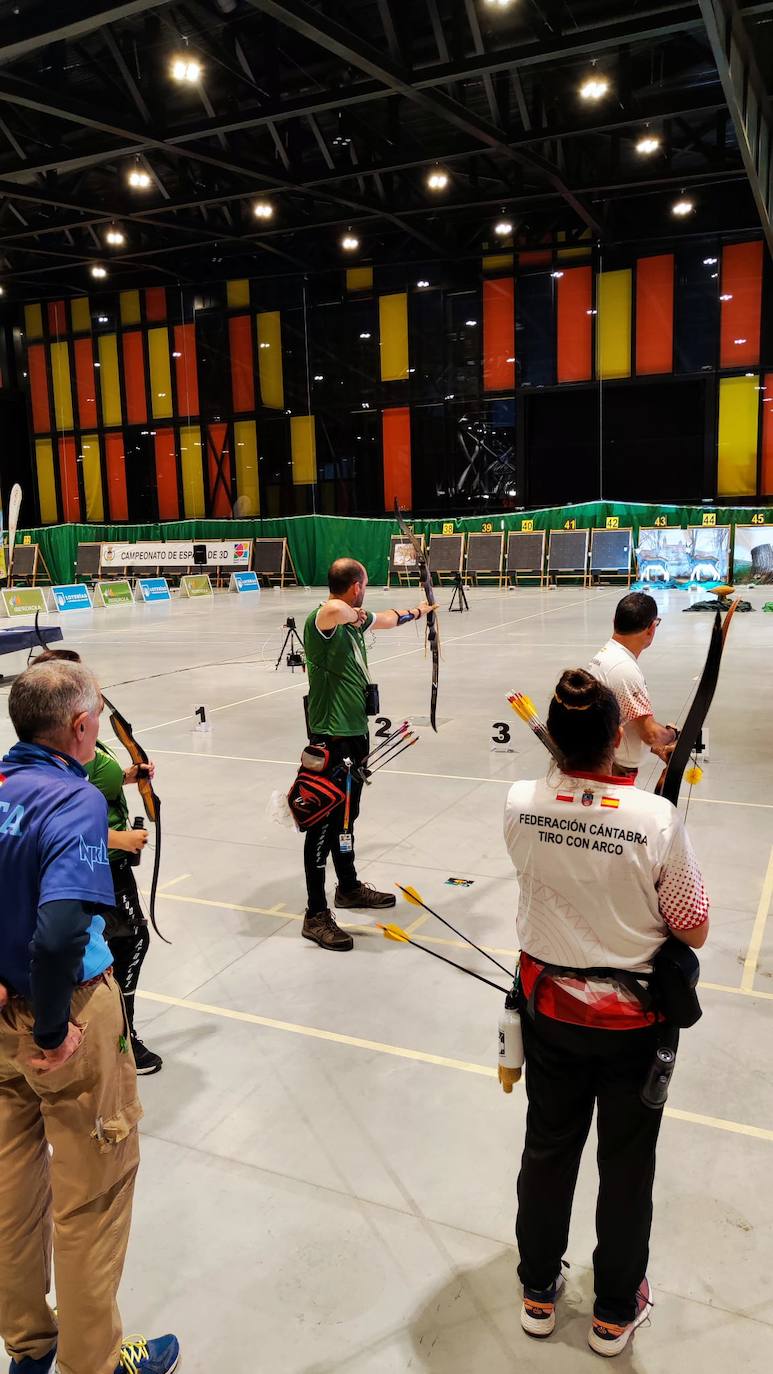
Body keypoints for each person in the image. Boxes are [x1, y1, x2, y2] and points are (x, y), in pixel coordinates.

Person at [503, 668, 709, 1358]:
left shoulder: (517, 801)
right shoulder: (653, 817)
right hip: (630, 1028)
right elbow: (693, 924)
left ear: (554, 739)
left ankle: (537, 1290)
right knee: (625, 1165)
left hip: (550, 1014)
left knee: (548, 1146)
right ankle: (613, 1313)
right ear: (616, 736)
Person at [0, 659, 179, 1374]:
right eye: (97, 717)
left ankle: (30, 1349)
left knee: (13, 1192)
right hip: (61, 1016)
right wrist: (52, 1028)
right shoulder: (71, 800)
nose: (100, 727)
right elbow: (59, 928)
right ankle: (91, 1364)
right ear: (79, 727)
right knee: (90, 1202)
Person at [31, 649, 161, 1076]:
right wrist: (120, 837)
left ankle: (117, 1030)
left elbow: (93, 783)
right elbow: (63, 819)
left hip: (111, 863)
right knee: (124, 944)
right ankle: (119, 1034)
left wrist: (129, 775)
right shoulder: (59, 754)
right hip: (99, 865)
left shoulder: (83, 743)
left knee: (123, 943)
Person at [301, 557, 434, 951]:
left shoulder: (353, 621)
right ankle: (315, 914)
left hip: (355, 736)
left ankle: (348, 887)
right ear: (356, 586)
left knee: (347, 816)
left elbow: (389, 619)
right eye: (364, 584)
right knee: (322, 825)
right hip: (330, 739)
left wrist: (420, 611)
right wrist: (356, 613)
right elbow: (332, 609)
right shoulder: (324, 620)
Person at [588, 592, 678, 777]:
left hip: (606, 764)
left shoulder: (607, 657)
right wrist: (673, 735)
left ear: (615, 622)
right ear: (651, 628)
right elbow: (650, 734)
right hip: (614, 773)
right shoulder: (623, 669)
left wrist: (654, 749)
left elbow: (621, 720)